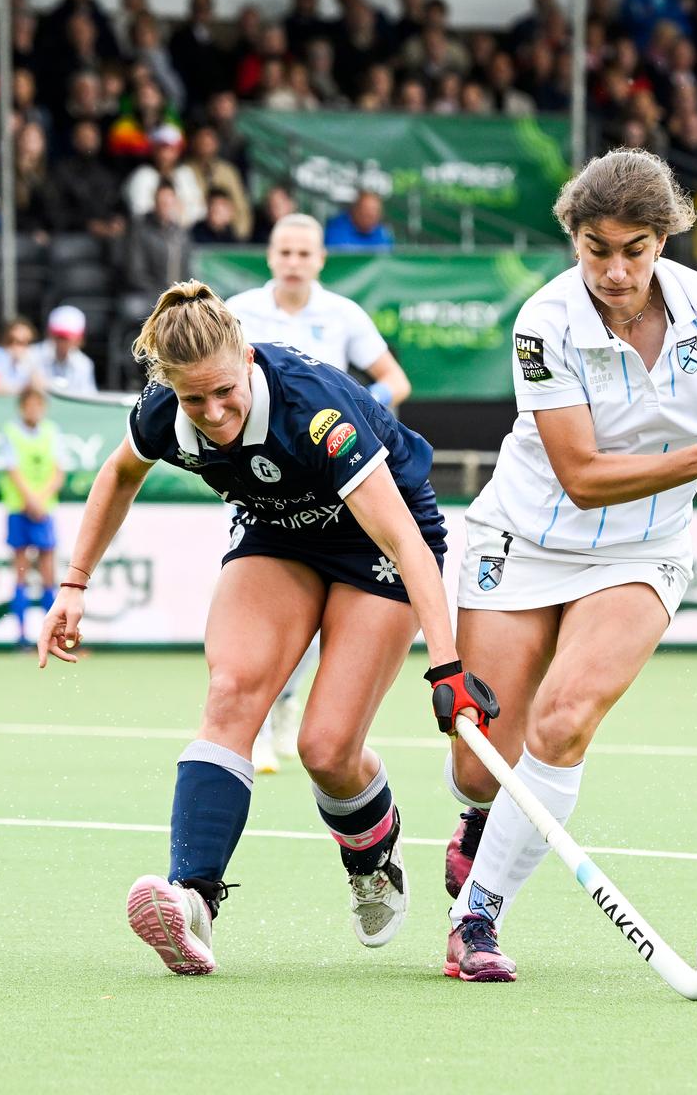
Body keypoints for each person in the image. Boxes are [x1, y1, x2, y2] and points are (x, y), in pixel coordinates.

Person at [37, 281, 487, 975]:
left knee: (326, 750)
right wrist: (73, 583)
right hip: (278, 531)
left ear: (247, 359)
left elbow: (405, 541)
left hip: (377, 539)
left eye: (225, 392)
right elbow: (119, 475)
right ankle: (192, 901)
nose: (214, 414)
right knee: (231, 694)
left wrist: (447, 670)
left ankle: (373, 856)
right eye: (195, 400)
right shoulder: (164, 410)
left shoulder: (314, 410)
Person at [440, 148, 697, 982]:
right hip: (524, 538)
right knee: (479, 763)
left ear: (663, 241)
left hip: (642, 551)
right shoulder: (543, 323)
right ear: (574, 239)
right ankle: (480, 822)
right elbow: (581, 476)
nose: (614, 271)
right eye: (595, 249)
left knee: (565, 719)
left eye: (634, 250)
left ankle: (478, 919)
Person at [223, 213, 416, 771]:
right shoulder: (237, 312)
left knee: (314, 624)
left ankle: (285, 705)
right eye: (285, 252)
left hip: (329, 484)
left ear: (321, 260)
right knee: (259, 614)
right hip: (256, 480)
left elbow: (396, 381)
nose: (293, 263)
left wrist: (359, 406)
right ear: (270, 255)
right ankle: (258, 725)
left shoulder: (343, 314)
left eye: (304, 254)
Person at [1, 382, 65, 648]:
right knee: (21, 572)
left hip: (43, 510)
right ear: (21, 408)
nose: (34, 410)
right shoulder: (11, 433)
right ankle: (22, 637)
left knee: (49, 574)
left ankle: (53, 637)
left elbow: (58, 473)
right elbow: (12, 470)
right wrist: (31, 500)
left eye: (38, 406)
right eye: (29, 406)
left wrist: (39, 500)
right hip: (20, 509)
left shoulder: (51, 432)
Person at [34, 305, 98, 394]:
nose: (62, 342)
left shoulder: (84, 364)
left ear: (79, 340)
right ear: (49, 334)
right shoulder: (31, 356)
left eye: (67, 338)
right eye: (59, 337)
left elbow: (88, 396)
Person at [324, 190, 397, 250]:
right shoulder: (336, 231)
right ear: (355, 210)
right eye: (366, 210)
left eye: (375, 210)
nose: (371, 215)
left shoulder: (383, 233)